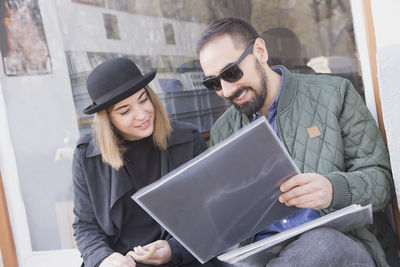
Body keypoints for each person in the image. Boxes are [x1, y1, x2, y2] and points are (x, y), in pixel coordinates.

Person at [197, 17, 398, 267]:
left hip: (342, 244)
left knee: (320, 246)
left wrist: (334, 190)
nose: (226, 91)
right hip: (263, 254)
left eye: (231, 73)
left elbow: (384, 182)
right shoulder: (223, 130)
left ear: (260, 51)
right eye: (214, 83)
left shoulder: (335, 94)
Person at [72, 57, 221, 267]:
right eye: (125, 111)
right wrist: (103, 258)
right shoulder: (87, 156)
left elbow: (210, 216)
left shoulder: (188, 140)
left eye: (143, 100)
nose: (142, 115)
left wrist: (173, 250)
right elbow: (86, 226)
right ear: (108, 119)